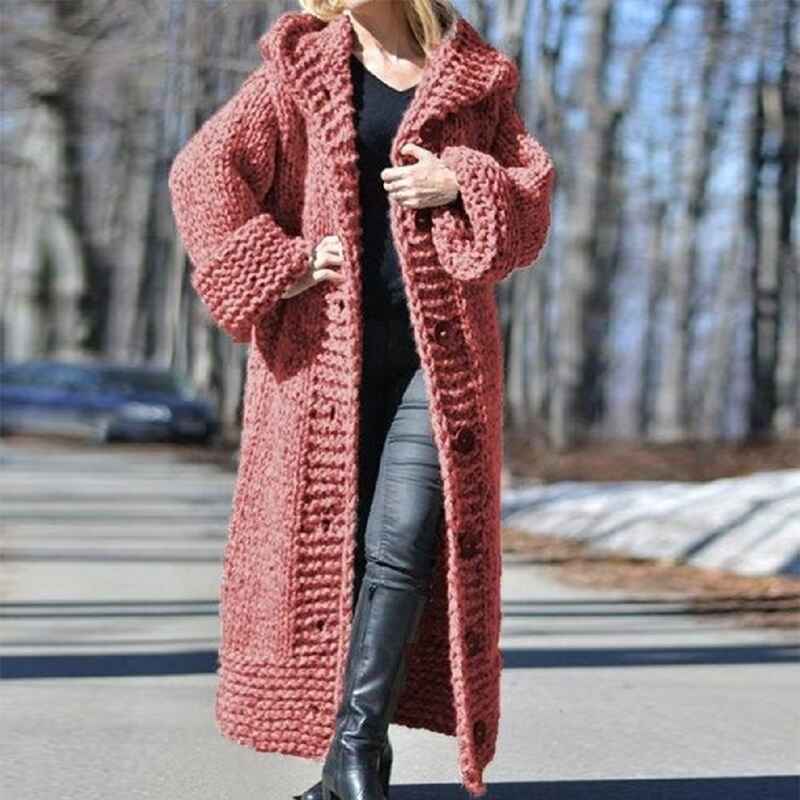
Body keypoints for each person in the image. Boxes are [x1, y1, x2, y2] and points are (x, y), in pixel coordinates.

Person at [167, 1, 556, 798]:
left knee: (403, 540)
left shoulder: (477, 82)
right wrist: (283, 262)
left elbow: (530, 202)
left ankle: (355, 748)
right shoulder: (298, 74)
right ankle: (352, 769)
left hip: (437, 360)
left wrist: (461, 180)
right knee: (337, 552)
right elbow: (201, 174)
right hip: (323, 362)